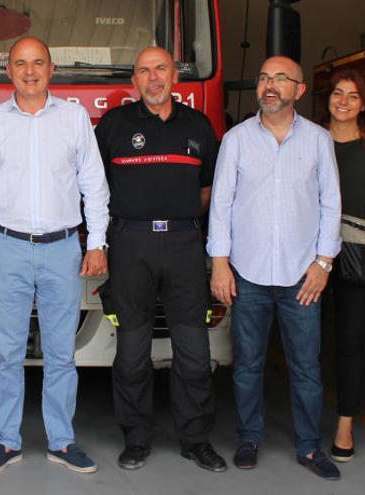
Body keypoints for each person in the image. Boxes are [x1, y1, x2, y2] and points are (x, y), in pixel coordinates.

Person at [0, 36, 110, 475]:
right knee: (8, 353)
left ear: (51, 68)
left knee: (61, 353)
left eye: (38, 63)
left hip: (63, 249)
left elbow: (94, 186)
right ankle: (7, 442)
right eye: (21, 63)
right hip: (6, 248)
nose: (29, 71)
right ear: (8, 70)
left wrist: (97, 241)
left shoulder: (74, 118)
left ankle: (62, 442)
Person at [207, 56, 342, 480]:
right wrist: (220, 264)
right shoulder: (236, 140)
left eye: (281, 79)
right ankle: (248, 438)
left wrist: (323, 263)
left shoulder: (319, 140)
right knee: (247, 365)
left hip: (303, 275)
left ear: (299, 90)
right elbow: (221, 205)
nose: (270, 86)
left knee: (306, 367)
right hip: (247, 272)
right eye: (264, 77)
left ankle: (308, 446)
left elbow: (330, 204)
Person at [94, 47, 225, 472]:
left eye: (161, 70)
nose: (153, 78)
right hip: (130, 245)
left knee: (193, 349)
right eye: (144, 71)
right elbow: (94, 188)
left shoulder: (198, 126)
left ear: (175, 76)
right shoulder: (114, 126)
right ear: (134, 80)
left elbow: (209, 191)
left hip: (185, 243)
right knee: (132, 350)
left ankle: (196, 439)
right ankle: (136, 438)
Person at [322, 68, 365, 463]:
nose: (343, 101)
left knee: (349, 342)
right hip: (309, 254)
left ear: (364, 105)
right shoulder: (309, 138)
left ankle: (345, 426)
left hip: (355, 253)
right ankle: (303, 424)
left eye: (353, 96)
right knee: (306, 343)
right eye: (337, 93)